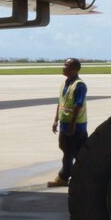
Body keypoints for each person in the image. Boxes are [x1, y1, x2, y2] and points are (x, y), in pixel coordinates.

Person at [47, 58, 87, 188]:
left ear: (74, 69)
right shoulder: (66, 83)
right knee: (67, 151)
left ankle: (65, 177)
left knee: (75, 153)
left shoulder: (79, 85)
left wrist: (72, 125)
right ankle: (72, 176)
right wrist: (55, 120)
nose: (63, 68)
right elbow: (61, 103)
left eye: (67, 66)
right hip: (65, 124)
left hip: (76, 126)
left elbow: (78, 106)